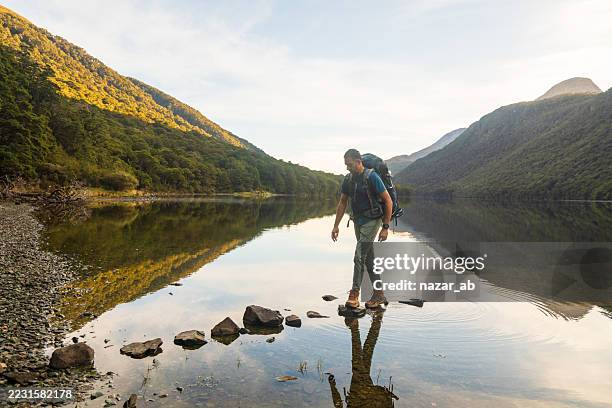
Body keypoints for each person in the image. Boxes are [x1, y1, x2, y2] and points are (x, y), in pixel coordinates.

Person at [331, 149, 393, 309]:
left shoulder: (372, 177)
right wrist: (336, 225)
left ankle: (354, 294)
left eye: (349, 164)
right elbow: (342, 202)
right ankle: (379, 294)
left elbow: (388, 201)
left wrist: (385, 227)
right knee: (368, 258)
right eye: (345, 165)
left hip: (373, 221)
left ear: (358, 161)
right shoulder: (348, 179)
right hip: (358, 222)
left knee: (359, 256)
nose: (347, 168)